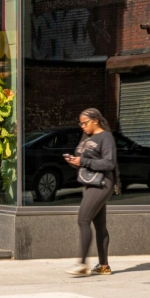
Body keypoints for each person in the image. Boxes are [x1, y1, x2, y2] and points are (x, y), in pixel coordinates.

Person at [64, 108, 119, 276]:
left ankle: (82, 264)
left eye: (85, 122)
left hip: (102, 183)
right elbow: (85, 161)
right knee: (100, 226)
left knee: (83, 219)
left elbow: (109, 163)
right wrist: (75, 162)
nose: (82, 126)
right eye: (80, 123)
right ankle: (103, 266)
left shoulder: (106, 138)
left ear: (95, 120)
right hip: (89, 183)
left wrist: (84, 161)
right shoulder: (87, 137)